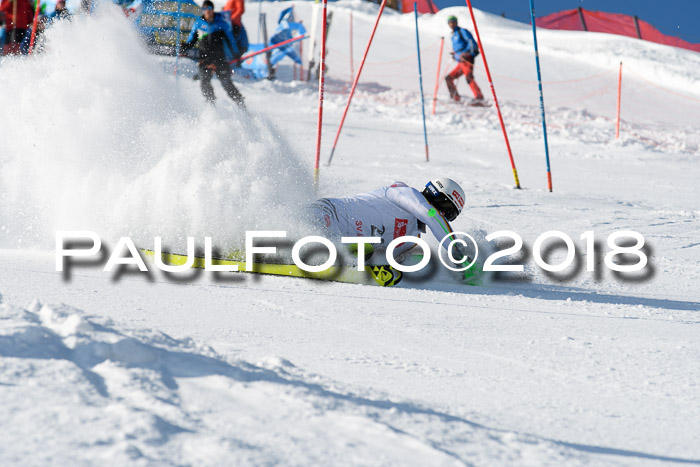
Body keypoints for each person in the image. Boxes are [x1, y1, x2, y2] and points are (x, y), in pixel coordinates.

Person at [306, 178, 469, 263]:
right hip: (327, 212)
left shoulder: (410, 241)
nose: (445, 218)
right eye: (447, 214)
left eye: (449, 217)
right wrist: (455, 249)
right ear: (439, 199)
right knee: (310, 235)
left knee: (349, 253)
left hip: (338, 241)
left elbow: (382, 261)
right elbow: (429, 213)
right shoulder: (404, 193)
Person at [183, 0, 245, 107]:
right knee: (204, 83)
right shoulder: (198, 24)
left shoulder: (221, 23)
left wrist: (236, 54)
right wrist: (184, 47)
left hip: (219, 59)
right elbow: (191, 40)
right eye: (204, 9)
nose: (207, 11)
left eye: (209, 9)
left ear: (212, 9)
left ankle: (240, 102)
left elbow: (231, 41)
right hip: (204, 59)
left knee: (226, 84)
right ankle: (211, 105)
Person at [445, 15, 484, 104]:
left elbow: (471, 42)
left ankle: (479, 97)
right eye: (450, 23)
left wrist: (466, 53)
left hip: (467, 59)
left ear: (456, 22)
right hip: (460, 61)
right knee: (448, 78)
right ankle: (455, 97)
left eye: (453, 22)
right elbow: (457, 49)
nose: (451, 24)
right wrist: (454, 56)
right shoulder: (453, 35)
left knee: (468, 77)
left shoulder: (462, 31)